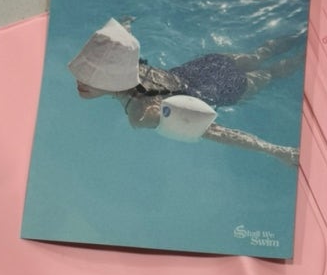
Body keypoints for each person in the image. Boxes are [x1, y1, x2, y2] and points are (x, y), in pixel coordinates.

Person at [68, 18, 304, 166]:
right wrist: (125, 25)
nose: (80, 80)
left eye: (90, 75)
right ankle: (304, 33)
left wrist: (276, 151)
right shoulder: (127, 61)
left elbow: (214, 131)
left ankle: (306, 56)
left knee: (271, 73)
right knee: (258, 54)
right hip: (205, 65)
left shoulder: (142, 114)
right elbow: (121, 43)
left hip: (219, 89)